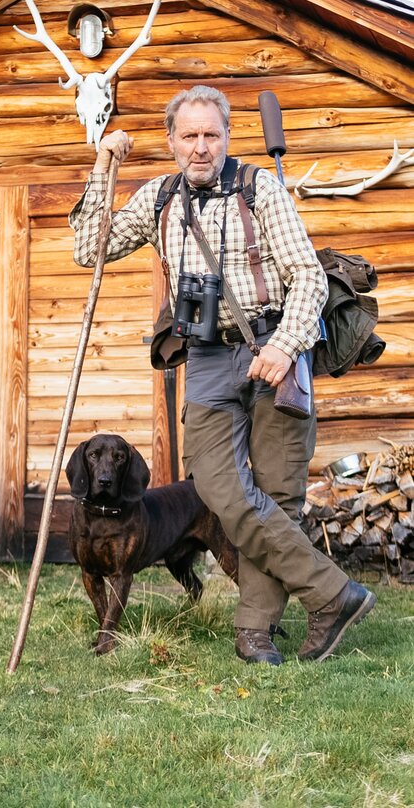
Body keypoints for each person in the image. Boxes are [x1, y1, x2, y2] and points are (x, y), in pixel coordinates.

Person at [69, 84, 375, 664]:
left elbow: (307, 278)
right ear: (172, 141)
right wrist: (103, 161)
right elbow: (90, 249)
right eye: (190, 136)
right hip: (207, 357)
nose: (201, 146)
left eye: (212, 134)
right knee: (217, 487)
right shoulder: (158, 197)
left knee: (278, 497)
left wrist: (285, 347)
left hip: (274, 347)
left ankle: (254, 632)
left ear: (227, 137)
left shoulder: (261, 191)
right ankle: (333, 593)